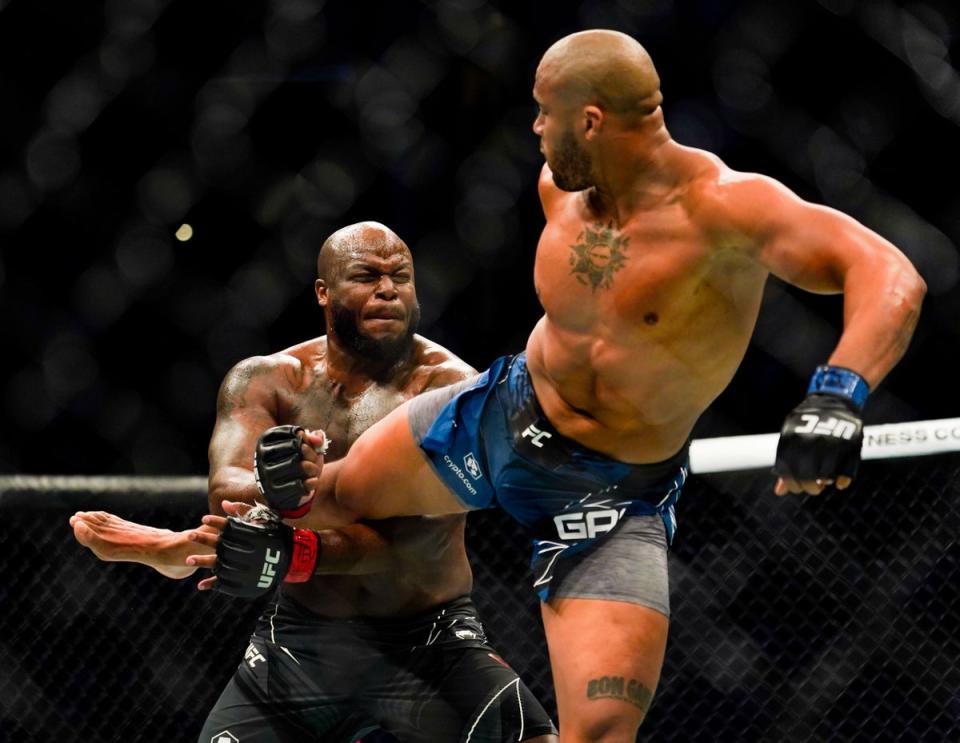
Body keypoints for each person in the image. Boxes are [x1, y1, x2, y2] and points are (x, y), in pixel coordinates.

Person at [199, 31, 926, 742]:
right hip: (504, 412)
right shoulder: (561, 188)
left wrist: (837, 394)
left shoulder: (726, 210)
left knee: (602, 729)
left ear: (592, 120)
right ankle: (181, 553)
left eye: (545, 111)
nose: (536, 129)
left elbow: (889, 271)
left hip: (609, 489)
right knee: (321, 495)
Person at [70, 221, 558, 743]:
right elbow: (226, 488)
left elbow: (412, 543)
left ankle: (185, 551)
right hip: (301, 640)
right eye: (367, 275)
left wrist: (291, 541)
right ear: (324, 292)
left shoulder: (450, 388)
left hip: (428, 638)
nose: (388, 289)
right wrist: (276, 489)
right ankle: (191, 548)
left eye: (401, 276)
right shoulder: (268, 379)